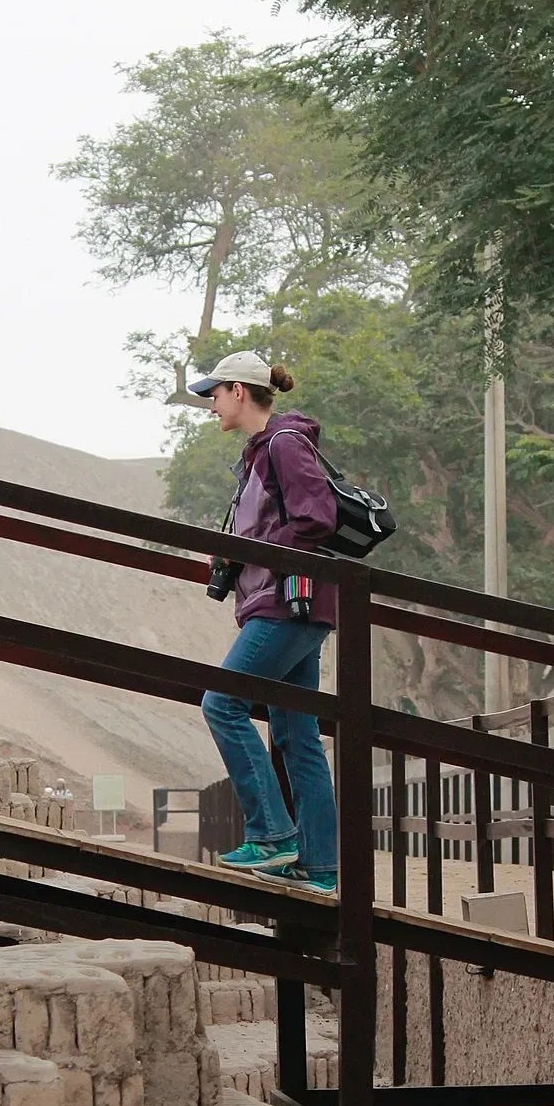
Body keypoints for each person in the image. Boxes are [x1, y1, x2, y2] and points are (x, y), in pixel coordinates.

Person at [192, 351, 339, 892]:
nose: (210, 406)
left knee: (222, 702)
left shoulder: (282, 443)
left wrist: (250, 550)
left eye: (213, 394)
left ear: (237, 390)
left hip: (286, 603)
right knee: (296, 733)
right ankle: (320, 867)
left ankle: (274, 835)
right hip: (292, 604)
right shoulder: (261, 454)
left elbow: (316, 519)